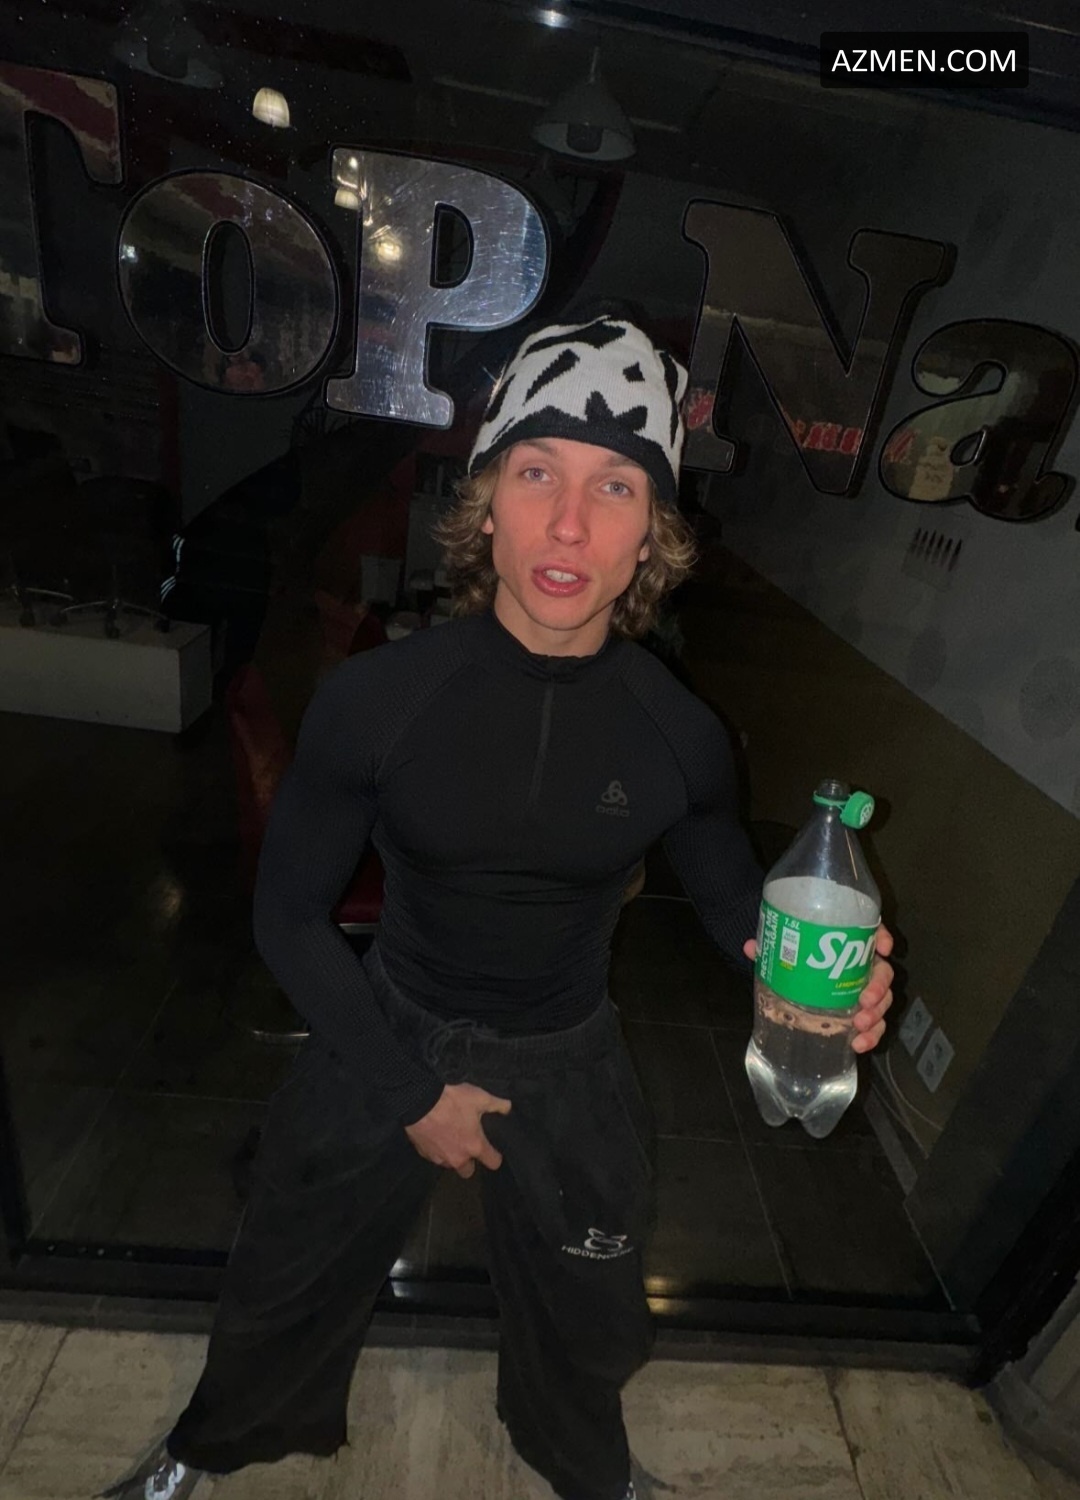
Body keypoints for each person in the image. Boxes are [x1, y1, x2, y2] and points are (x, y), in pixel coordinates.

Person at [104, 314, 894, 1500]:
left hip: (566, 1050)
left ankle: (585, 1466)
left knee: (592, 1300)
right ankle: (207, 1449)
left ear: (652, 535)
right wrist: (412, 1094)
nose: (570, 524)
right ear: (485, 509)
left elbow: (730, 887)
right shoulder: (378, 703)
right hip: (390, 1026)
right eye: (537, 474)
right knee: (283, 1262)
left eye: (614, 486)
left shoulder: (679, 732)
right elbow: (288, 919)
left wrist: (797, 971)